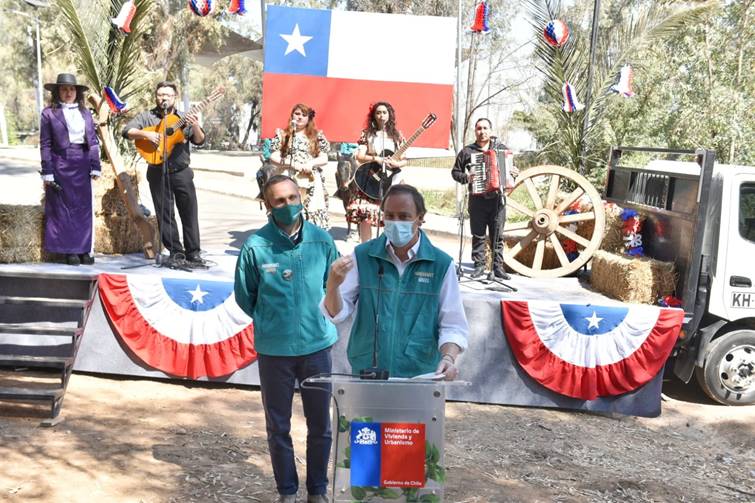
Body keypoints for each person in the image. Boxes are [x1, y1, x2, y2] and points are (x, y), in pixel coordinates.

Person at [234, 175, 338, 503]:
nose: (289, 205)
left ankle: (317, 490)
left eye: (293, 197)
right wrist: (271, 321)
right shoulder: (255, 246)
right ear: (268, 206)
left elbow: (332, 287)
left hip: (316, 347)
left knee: (320, 424)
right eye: (280, 201)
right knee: (278, 426)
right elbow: (244, 295)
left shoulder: (322, 241)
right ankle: (287, 491)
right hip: (274, 350)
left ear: (302, 197)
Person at [322, 184, 468, 379]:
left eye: (404, 216)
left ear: (421, 218)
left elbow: (453, 324)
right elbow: (337, 314)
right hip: (368, 372)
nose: (395, 222)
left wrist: (448, 359)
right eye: (389, 215)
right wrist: (332, 286)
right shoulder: (363, 256)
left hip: (419, 375)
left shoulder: (441, 264)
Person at [122, 81, 205, 265]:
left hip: (181, 171)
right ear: (156, 97)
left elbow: (199, 140)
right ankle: (175, 251)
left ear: (174, 97)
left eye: (167, 95)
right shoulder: (147, 117)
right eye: (160, 95)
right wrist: (147, 135)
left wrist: (196, 126)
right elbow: (127, 131)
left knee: (189, 212)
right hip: (157, 171)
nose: (164, 98)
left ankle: (194, 252)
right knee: (165, 214)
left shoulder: (184, 117)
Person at [39, 73, 101, 266]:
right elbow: (45, 144)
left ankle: (83, 249)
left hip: (81, 164)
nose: (68, 92)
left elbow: (92, 142)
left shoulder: (85, 113)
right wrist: (47, 170)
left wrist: (95, 165)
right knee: (63, 209)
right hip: (60, 164)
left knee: (83, 208)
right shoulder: (48, 113)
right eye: (64, 89)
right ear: (58, 92)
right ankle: (69, 251)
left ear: (77, 92)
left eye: (72, 89)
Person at [451, 118, 516, 279]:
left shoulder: (501, 149)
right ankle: (479, 266)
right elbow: (455, 172)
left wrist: (513, 173)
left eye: (485, 128)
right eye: (479, 128)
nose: (482, 131)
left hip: (497, 199)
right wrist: (467, 177)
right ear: (475, 131)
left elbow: (510, 171)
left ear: (491, 130)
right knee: (478, 234)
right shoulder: (467, 151)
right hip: (477, 199)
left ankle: (497, 267)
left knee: (497, 235)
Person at [347, 102, 408, 243]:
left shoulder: (397, 136)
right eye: (378, 112)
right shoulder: (367, 134)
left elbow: (405, 160)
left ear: (390, 115)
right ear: (374, 116)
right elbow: (360, 157)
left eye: (384, 112)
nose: (381, 116)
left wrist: (396, 163)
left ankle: (388, 249)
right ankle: (365, 247)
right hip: (370, 179)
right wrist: (376, 159)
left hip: (392, 180)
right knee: (365, 215)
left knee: (391, 217)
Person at [269, 104, 331, 230]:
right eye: (297, 114)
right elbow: (274, 156)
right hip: (287, 176)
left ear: (309, 118)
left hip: (310, 178)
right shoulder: (283, 134)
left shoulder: (316, 136)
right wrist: (292, 164)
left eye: (304, 115)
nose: (300, 117)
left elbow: (324, 158)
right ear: (292, 115)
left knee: (310, 208)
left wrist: (311, 163)